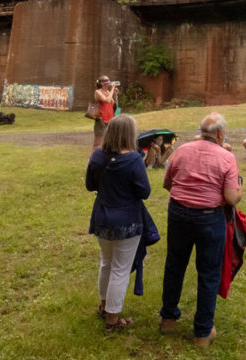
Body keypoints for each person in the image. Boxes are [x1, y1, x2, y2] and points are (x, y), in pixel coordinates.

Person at [159, 112, 243, 347]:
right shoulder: (227, 157)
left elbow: (167, 183)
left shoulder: (182, 150)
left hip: (178, 213)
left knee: (174, 265)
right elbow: (231, 196)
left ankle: (168, 319)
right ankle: (203, 333)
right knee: (208, 273)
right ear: (220, 134)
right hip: (208, 218)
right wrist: (240, 191)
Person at [86, 114, 151, 333]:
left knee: (106, 262)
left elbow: (89, 184)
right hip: (127, 221)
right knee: (120, 270)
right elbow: (144, 191)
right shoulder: (133, 160)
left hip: (102, 217)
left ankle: (104, 307)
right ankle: (112, 320)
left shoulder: (97, 156)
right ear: (129, 134)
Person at [92, 75, 119, 151]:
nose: (109, 82)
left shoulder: (108, 92)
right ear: (101, 83)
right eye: (106, 80)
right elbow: (106, 100)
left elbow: (114, 106)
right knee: (97, 143)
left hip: (110, 120)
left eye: (109, 80)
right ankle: (91, 160)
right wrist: (112, 89)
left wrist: (115, 95)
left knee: (107, 142)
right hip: (101, 120)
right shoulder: (97, 92)